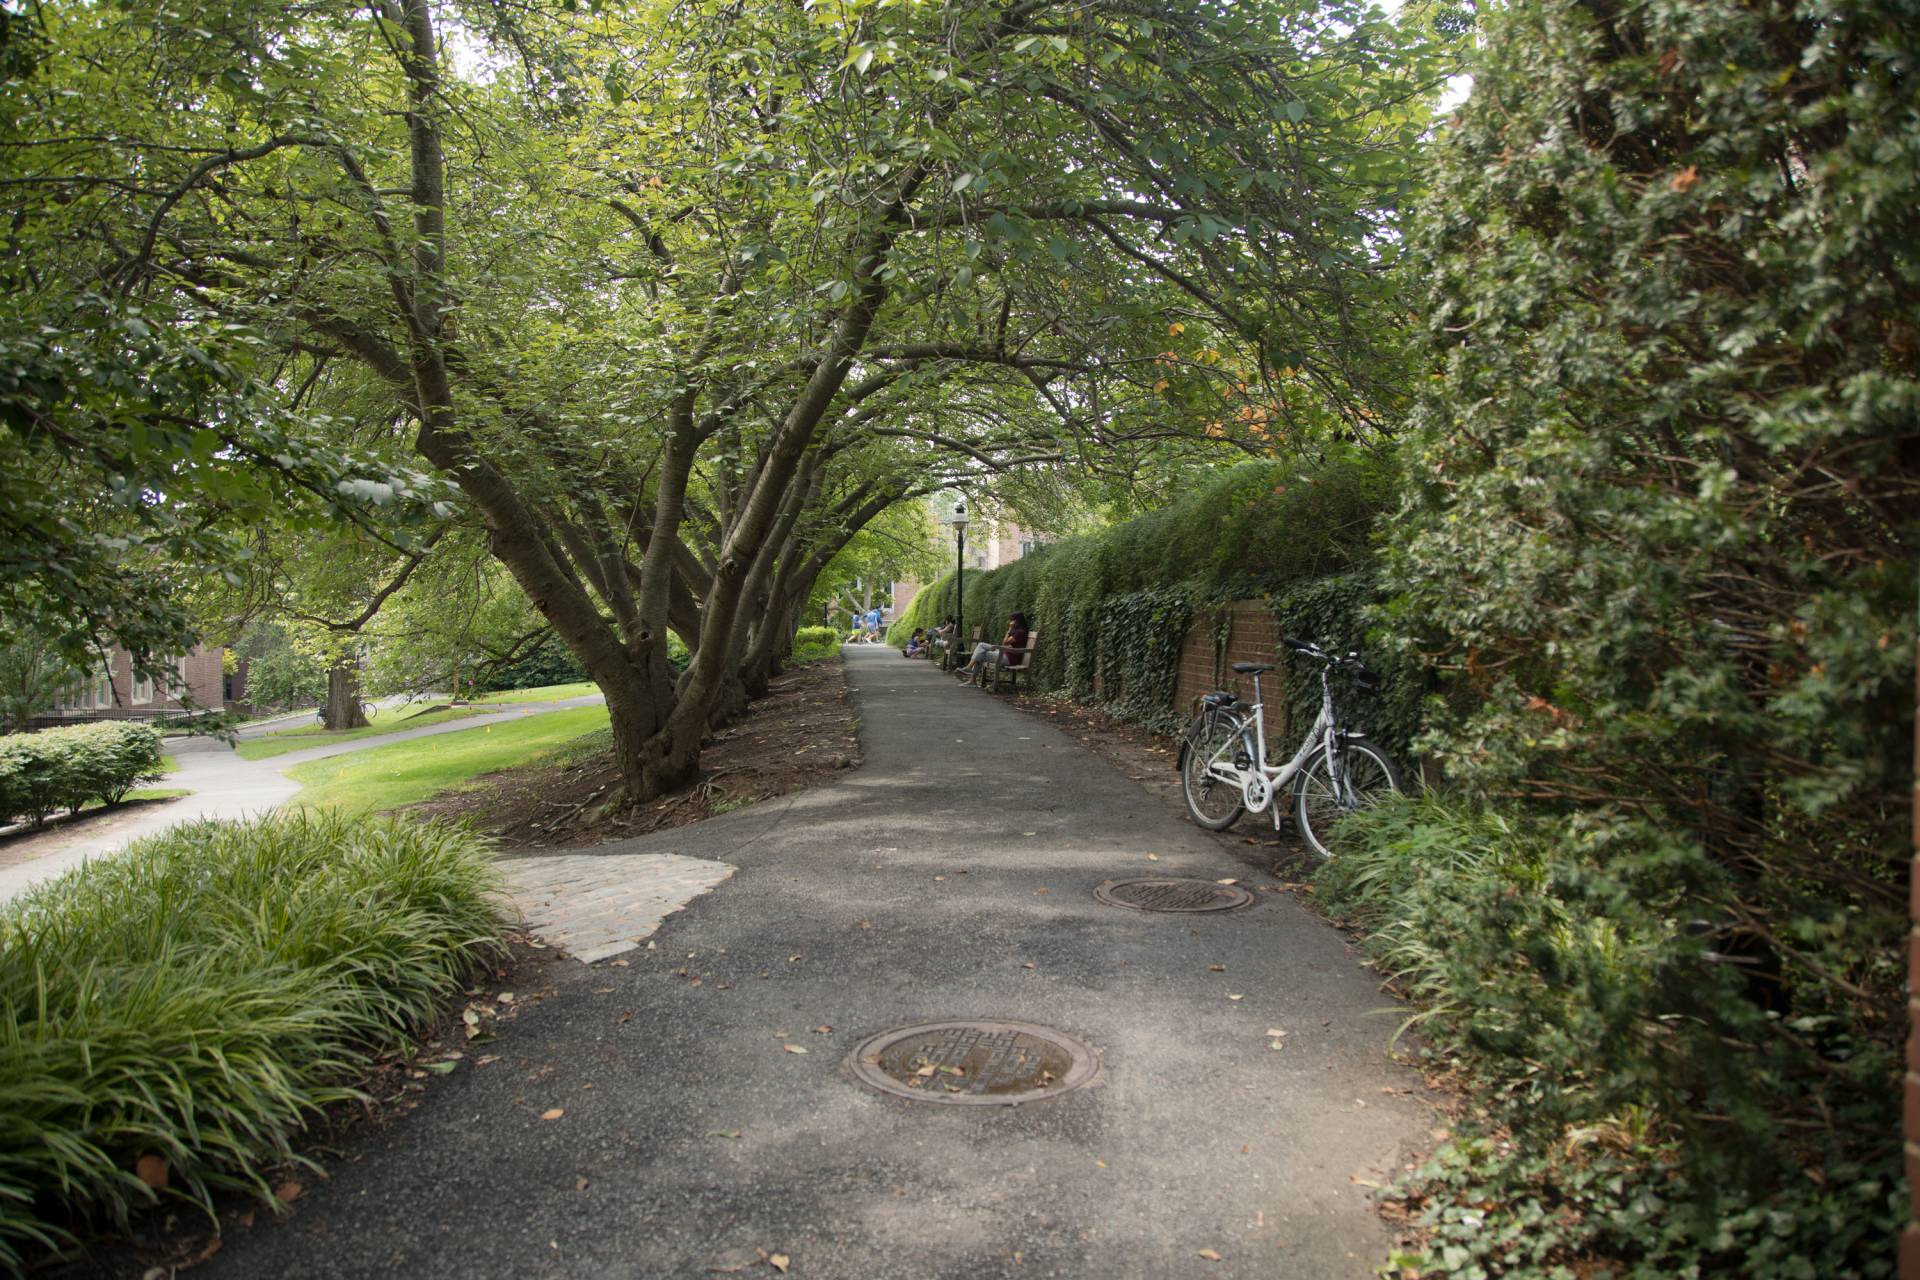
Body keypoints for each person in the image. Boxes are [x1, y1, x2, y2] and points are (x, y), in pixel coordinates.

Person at [956, 612, 1029, 678]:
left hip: (1010, 659)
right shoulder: (1020, 631)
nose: (1009, 622)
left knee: (981, 650)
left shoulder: (1020, 633)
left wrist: (1009, 629)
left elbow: (1005, 642)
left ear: (1016, 621)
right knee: (980, 651)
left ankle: (970, 672)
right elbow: (1011, 645)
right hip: (1007, 654)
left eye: (1011, 620)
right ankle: (970, 673)